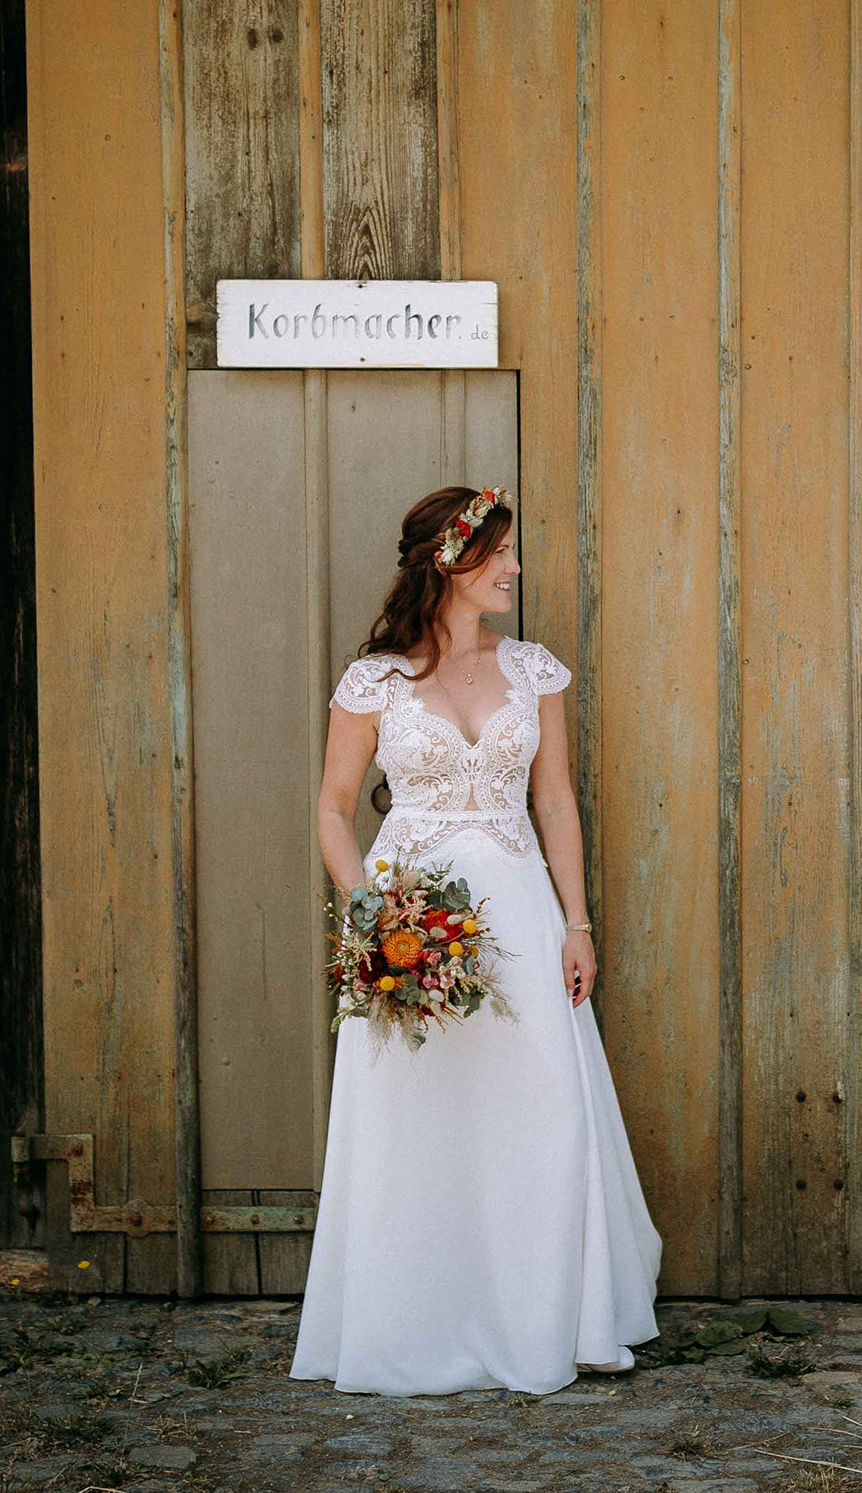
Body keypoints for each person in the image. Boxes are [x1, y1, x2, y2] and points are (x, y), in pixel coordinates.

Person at [290, 485, 661, 1395]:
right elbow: (335, 812)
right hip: (409, 914)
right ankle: (413, 1317)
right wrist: (375, 915)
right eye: (498, 553)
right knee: (414, 1110)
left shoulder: (535, 671)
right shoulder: (374, 681)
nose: (515, 568)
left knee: (539, 1107)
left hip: (518, 909)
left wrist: (577, 922)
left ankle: (542, 1314)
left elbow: (556, 800)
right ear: (447, 560)